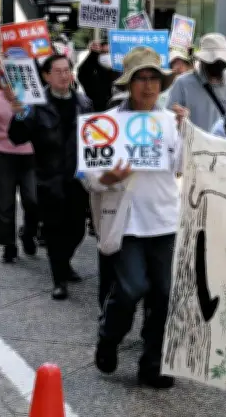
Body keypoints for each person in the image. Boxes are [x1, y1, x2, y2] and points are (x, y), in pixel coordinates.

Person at [84, 47, 186, 389]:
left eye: (154, 78)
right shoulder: (108, 122)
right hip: (125, 221)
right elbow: (90, 175)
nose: (148, 86)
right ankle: (108, 335)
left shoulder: (171, 121)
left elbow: (182, 167)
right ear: (129, 84)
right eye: (141, 78)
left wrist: (186, 133)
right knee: (130, 289)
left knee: (164, 294)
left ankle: (153, 365)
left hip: (165, 219)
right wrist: (108, 179)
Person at [8, 54, 93, 300]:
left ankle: (64, 262)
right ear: (46, 76)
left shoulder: (84, 103)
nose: (64, 75)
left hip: (78, 179)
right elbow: (17, 137)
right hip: (48, 179)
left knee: (77, 230)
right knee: (55, 231)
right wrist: (19, 114)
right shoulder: (34, 105)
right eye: (58, 71)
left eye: (67, 70)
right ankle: (59, 279)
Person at [0, 84, 39, 262]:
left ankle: (28, 233)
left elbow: (37, 120)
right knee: (4, 201)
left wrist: (17, 101)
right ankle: (8, 244)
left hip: (31, 153)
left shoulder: (32, 87)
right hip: (2, 152)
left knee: (33, 199)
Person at [167, 33, 226, 130]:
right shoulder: (183, 83)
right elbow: (169, 118)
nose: (217, 65)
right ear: (203, 60)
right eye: (213, 62)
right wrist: (177, 116)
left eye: (221, 61)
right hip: (195, 143)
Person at [77, 40, 117, 113]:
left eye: (107, 53)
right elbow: (84, 75)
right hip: (96, 108)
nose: (106, 56)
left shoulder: (117, 68)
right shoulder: (91, 68)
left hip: (113, 108)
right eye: (103, 53)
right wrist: (94, 54)